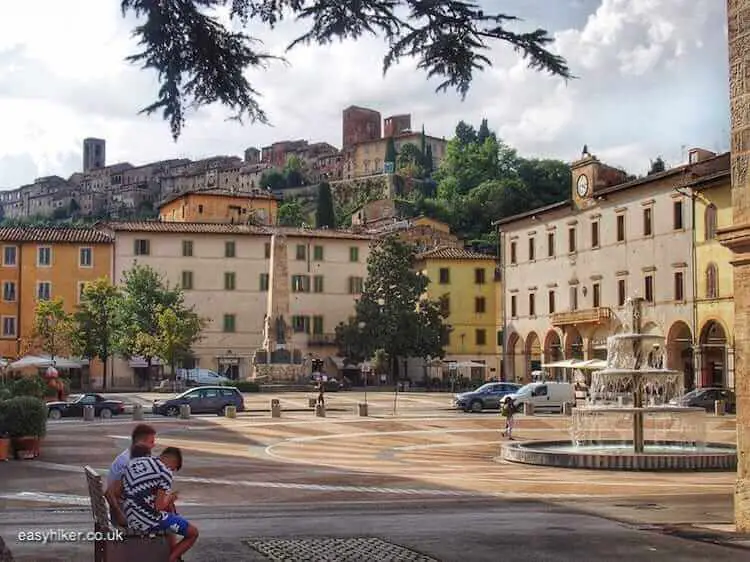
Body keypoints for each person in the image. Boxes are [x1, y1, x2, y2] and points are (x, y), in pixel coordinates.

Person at [122, 447, 198, 562]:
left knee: (171, 513)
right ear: (174, 462)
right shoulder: (164, 472)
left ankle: (171, 554)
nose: (171, 471)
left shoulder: (138, 462)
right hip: (146, 520)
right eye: (173, 469)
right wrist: (171, 497)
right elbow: (159, 506)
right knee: (193, 532)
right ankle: (172, 559)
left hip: (129, 515)